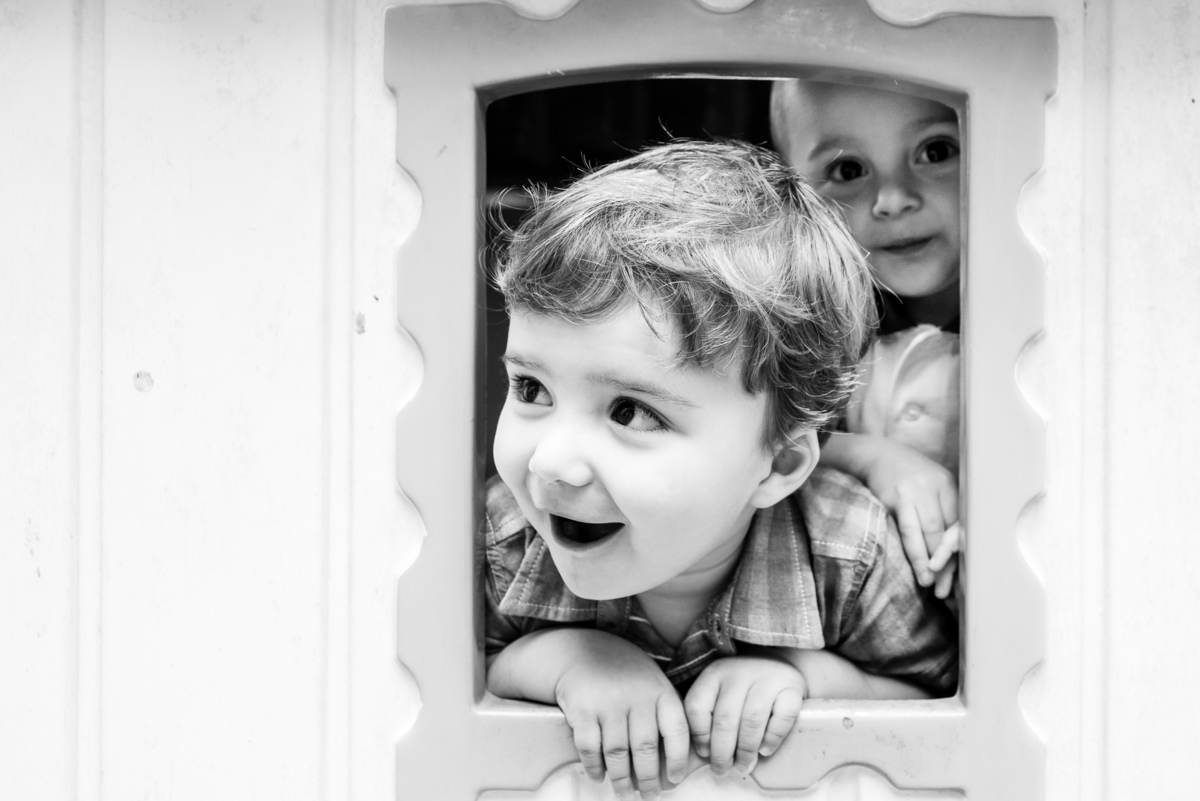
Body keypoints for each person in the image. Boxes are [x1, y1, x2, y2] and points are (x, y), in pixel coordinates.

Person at [482, 140, 959, 801]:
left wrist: (807, 678)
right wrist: (563, 661)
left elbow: (944, 699)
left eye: (629, 410)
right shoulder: (504, 536)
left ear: (781, 461)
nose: (550, 461)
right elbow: (428, 685)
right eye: (532, 389)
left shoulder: (852, 551)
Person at [770, 80, 964, 597]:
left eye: (936, 151)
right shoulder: (804, 322)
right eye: (848, 170)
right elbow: (758, 444)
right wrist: (874, 457)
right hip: (846, 613)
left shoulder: (1049, 321)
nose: (894, 200)